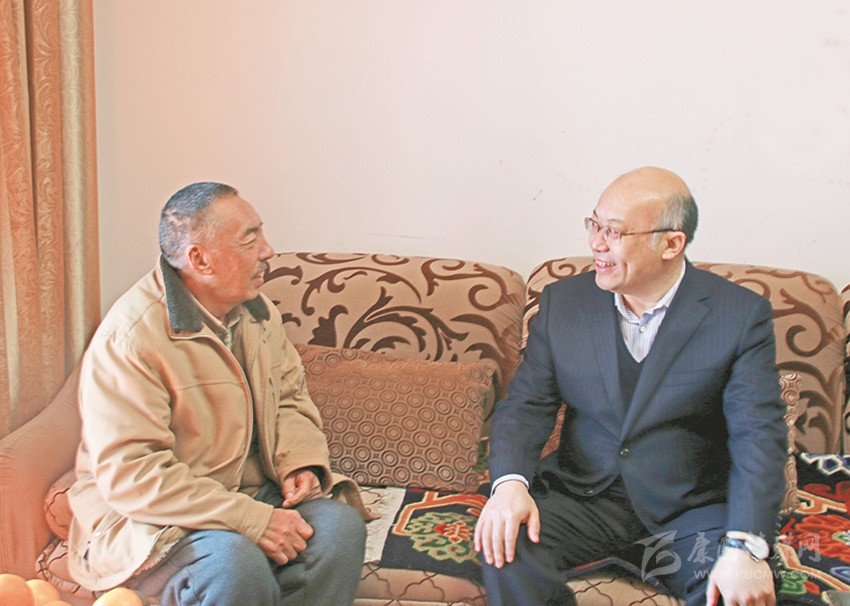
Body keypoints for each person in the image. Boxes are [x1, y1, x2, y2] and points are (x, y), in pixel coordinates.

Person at [474, 167, 787, 606]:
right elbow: (527, 404)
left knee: (734, 591)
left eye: (614, 232)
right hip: (583, 497)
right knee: (505, 548)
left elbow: (758, 435)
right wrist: (510, 485)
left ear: (671, 243)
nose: (596, 243)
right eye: (594, 224)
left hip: (690, 512)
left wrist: (744, 545)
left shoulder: (738, 315)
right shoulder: (566, 303)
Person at [67, 182, 368, 606]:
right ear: (199, 259)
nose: (268, 250)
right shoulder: (130, 339)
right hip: (153, 519)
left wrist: (299, 462)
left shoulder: (259, 312)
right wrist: (249, 519)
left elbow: (288, 398)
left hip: (246, 494)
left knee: (338, 529)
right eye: (250, 239)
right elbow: (133, 475)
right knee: (233, 561)